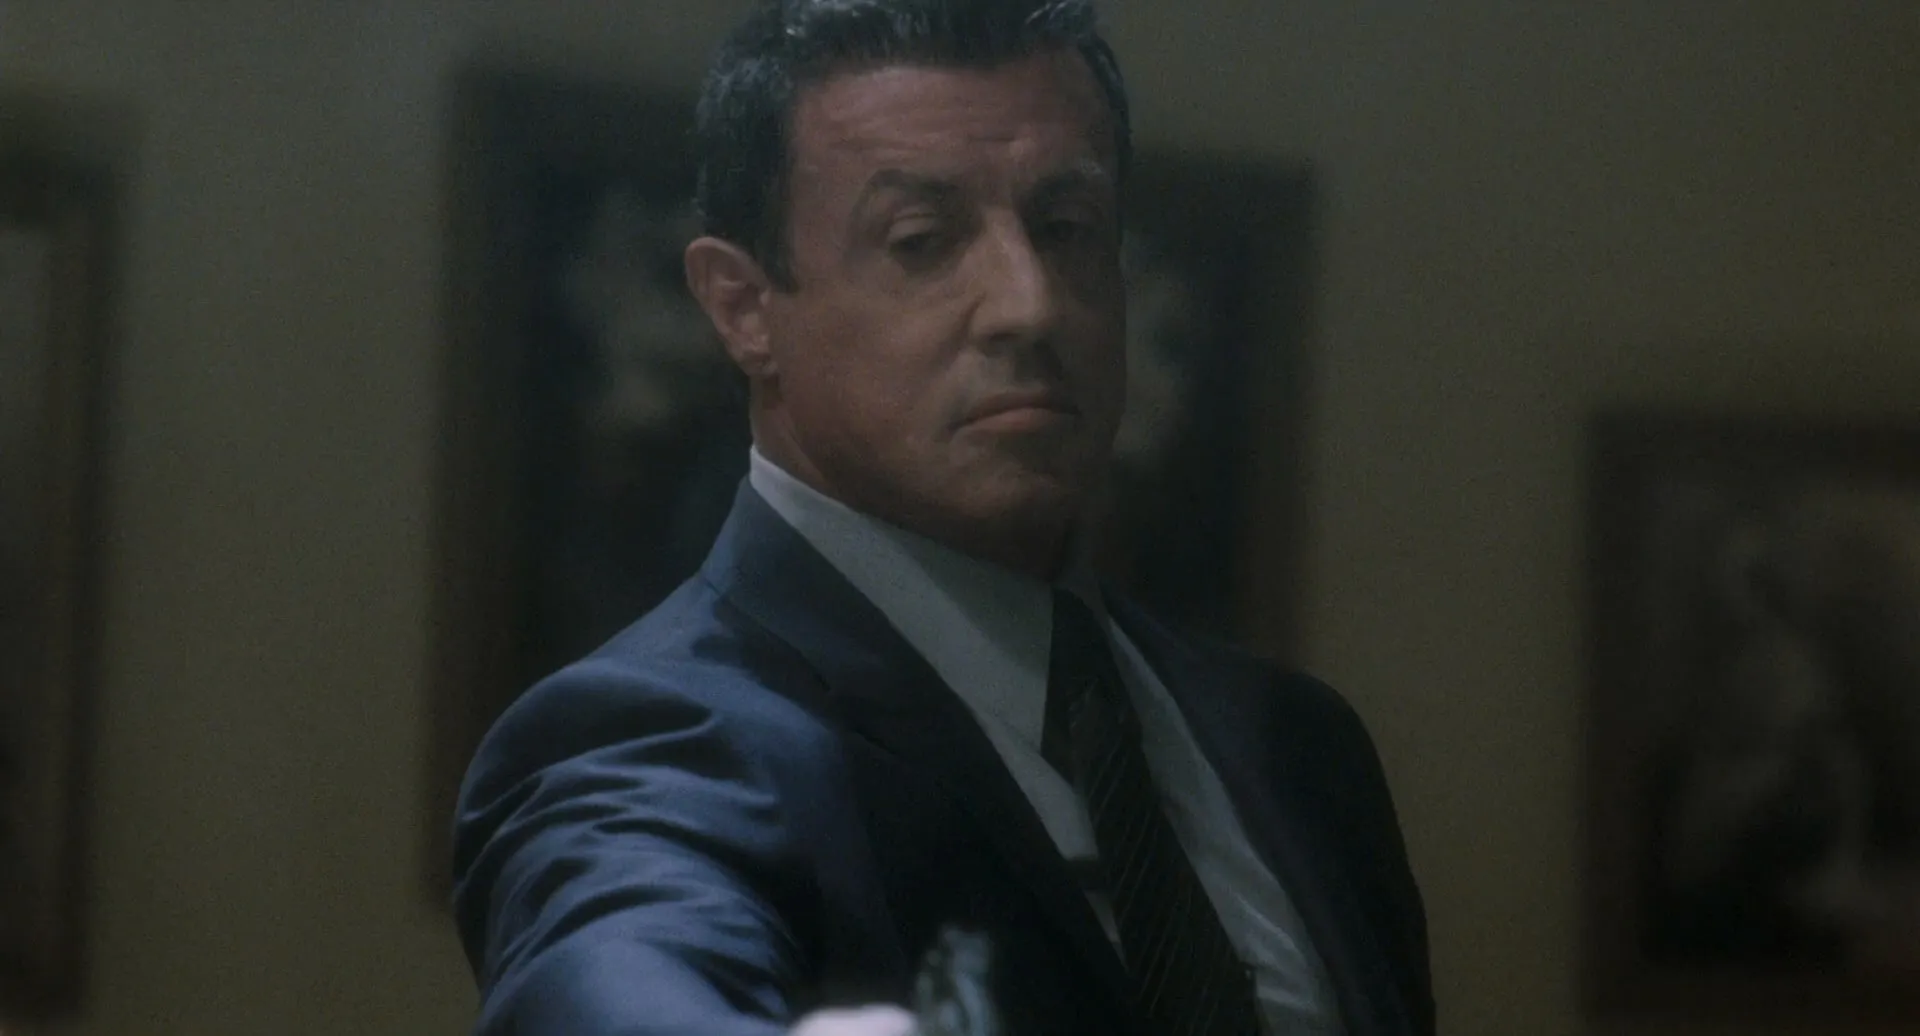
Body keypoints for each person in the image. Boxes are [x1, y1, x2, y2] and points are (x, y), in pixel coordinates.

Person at [451, 1, 1432, 1033]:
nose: (1029, 305)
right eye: (921, 241)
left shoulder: (1296, 751)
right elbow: (620, 970)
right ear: (743, 306)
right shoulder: (658, 741)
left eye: (1067, 228)